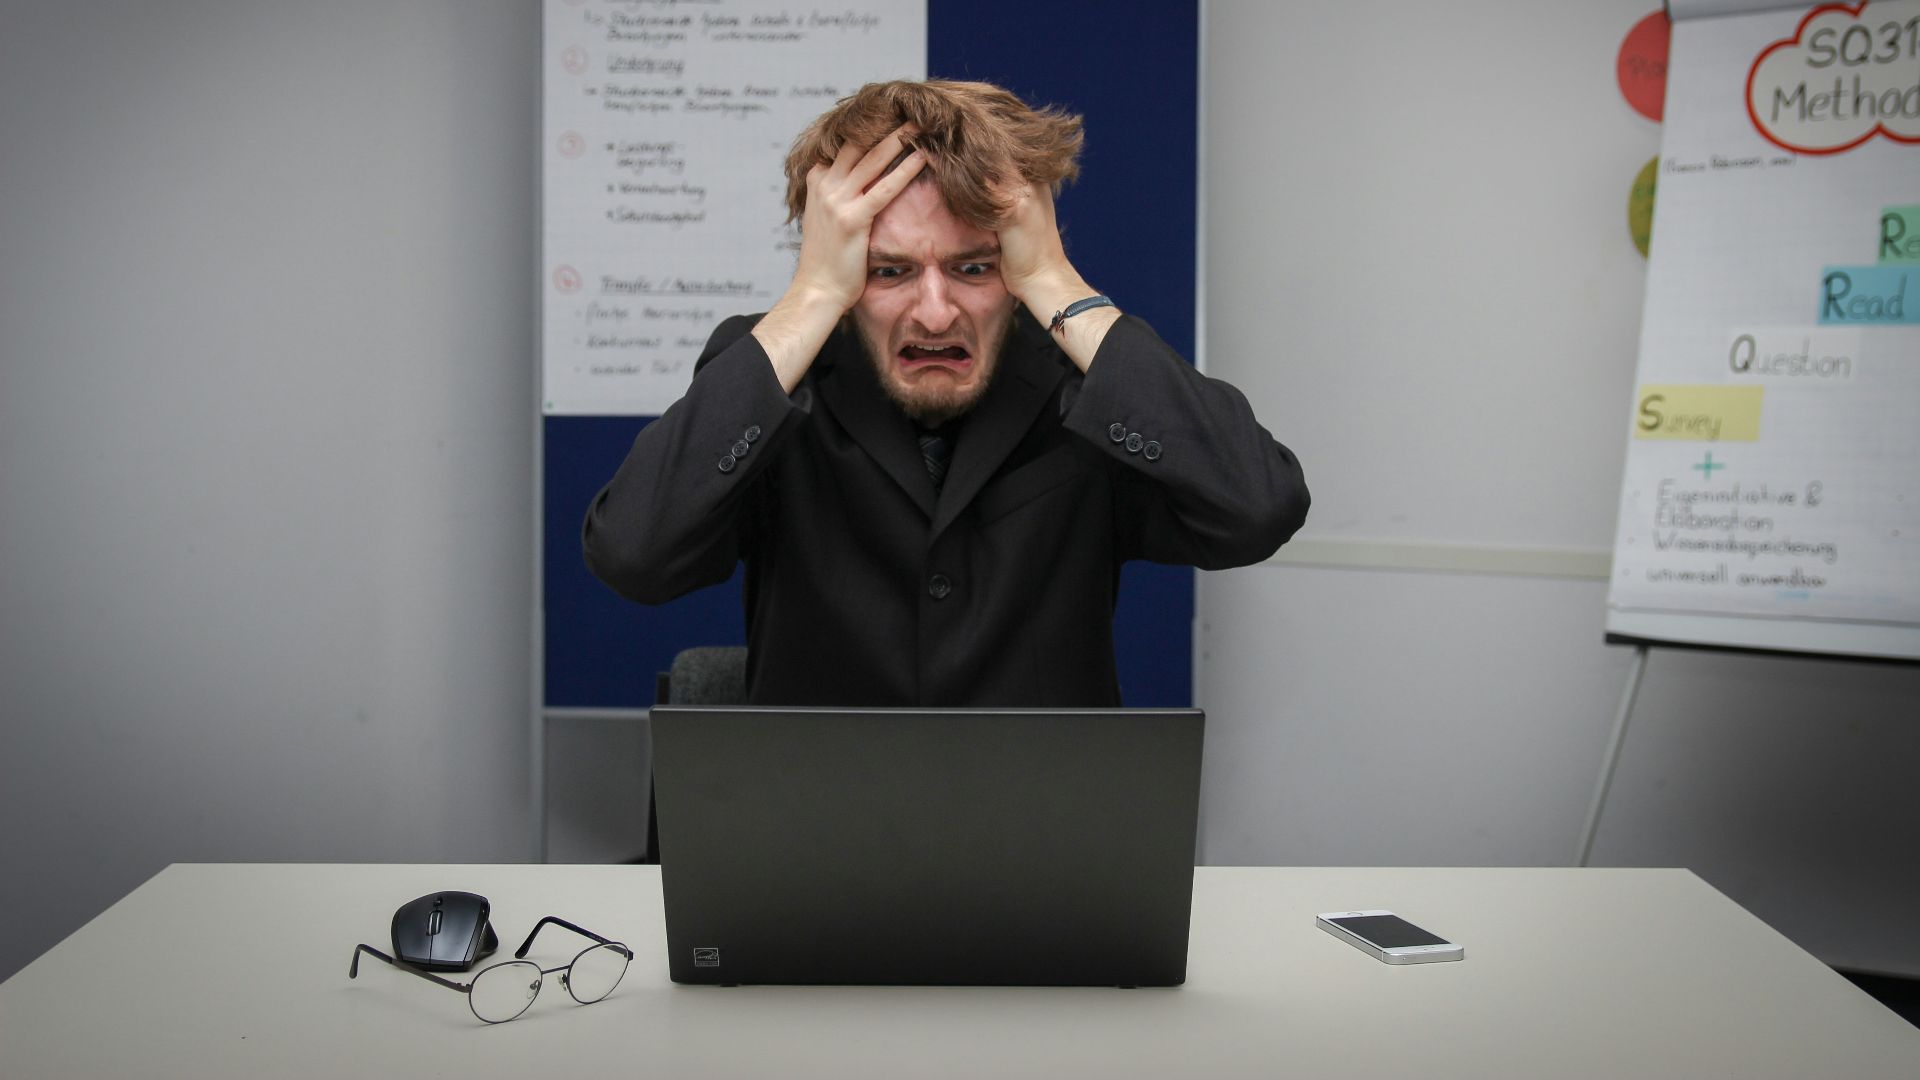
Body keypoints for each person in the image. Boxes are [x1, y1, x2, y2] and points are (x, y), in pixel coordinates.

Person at [583, 80, 1308, 706]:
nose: (934, 313)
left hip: (1043, 839)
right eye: (889, 272)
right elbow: (635, 554)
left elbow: (1255, 508)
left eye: (973, 267)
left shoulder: (1081, 381)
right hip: (819, 840)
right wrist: (811, 298)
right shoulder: (777, 378)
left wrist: (1055, 284)